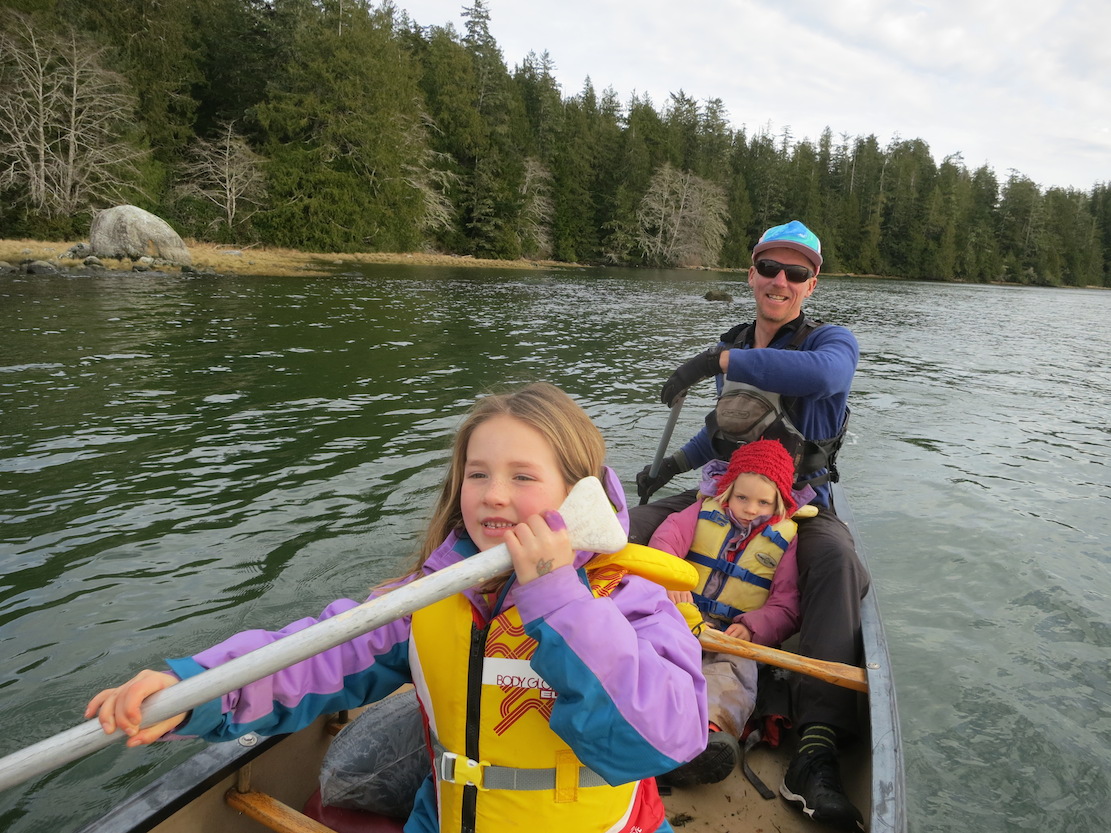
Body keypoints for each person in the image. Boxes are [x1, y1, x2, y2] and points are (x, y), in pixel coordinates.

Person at [86, 382, 709, 833]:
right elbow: (320, 654)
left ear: (581, 495)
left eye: (523, 477)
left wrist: (557, 599)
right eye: (477, 474)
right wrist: (197, 687)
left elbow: (660, 738)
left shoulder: (631, 602)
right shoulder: (430, 597)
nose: (493, 495)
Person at [630, 220, 869, 832]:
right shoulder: (734, 339)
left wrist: (719, 358)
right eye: (770, 268)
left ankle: (813, 748)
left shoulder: (830, 342)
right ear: (752, 274)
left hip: (798, 502)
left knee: (837, 561)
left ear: (813, 283)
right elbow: (719, 433)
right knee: (624, 529)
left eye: (796, 272)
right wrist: (668, 468)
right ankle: (598, 667)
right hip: (723, 491)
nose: (781, 281)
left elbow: (825, 381)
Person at [649, 438, 809, 788]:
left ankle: (709, 732)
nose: (751, 508)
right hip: (680, 614)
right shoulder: (701, 512)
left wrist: (753, 629)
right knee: (654, 653)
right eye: (742, 498)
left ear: (778, 502)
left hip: (731, 633)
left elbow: (787, 605)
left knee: (733, 672)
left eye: (763, 502)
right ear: (727, 491)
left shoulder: (787, 539)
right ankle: (645, 720)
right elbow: (665, 541)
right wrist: (669, 578)